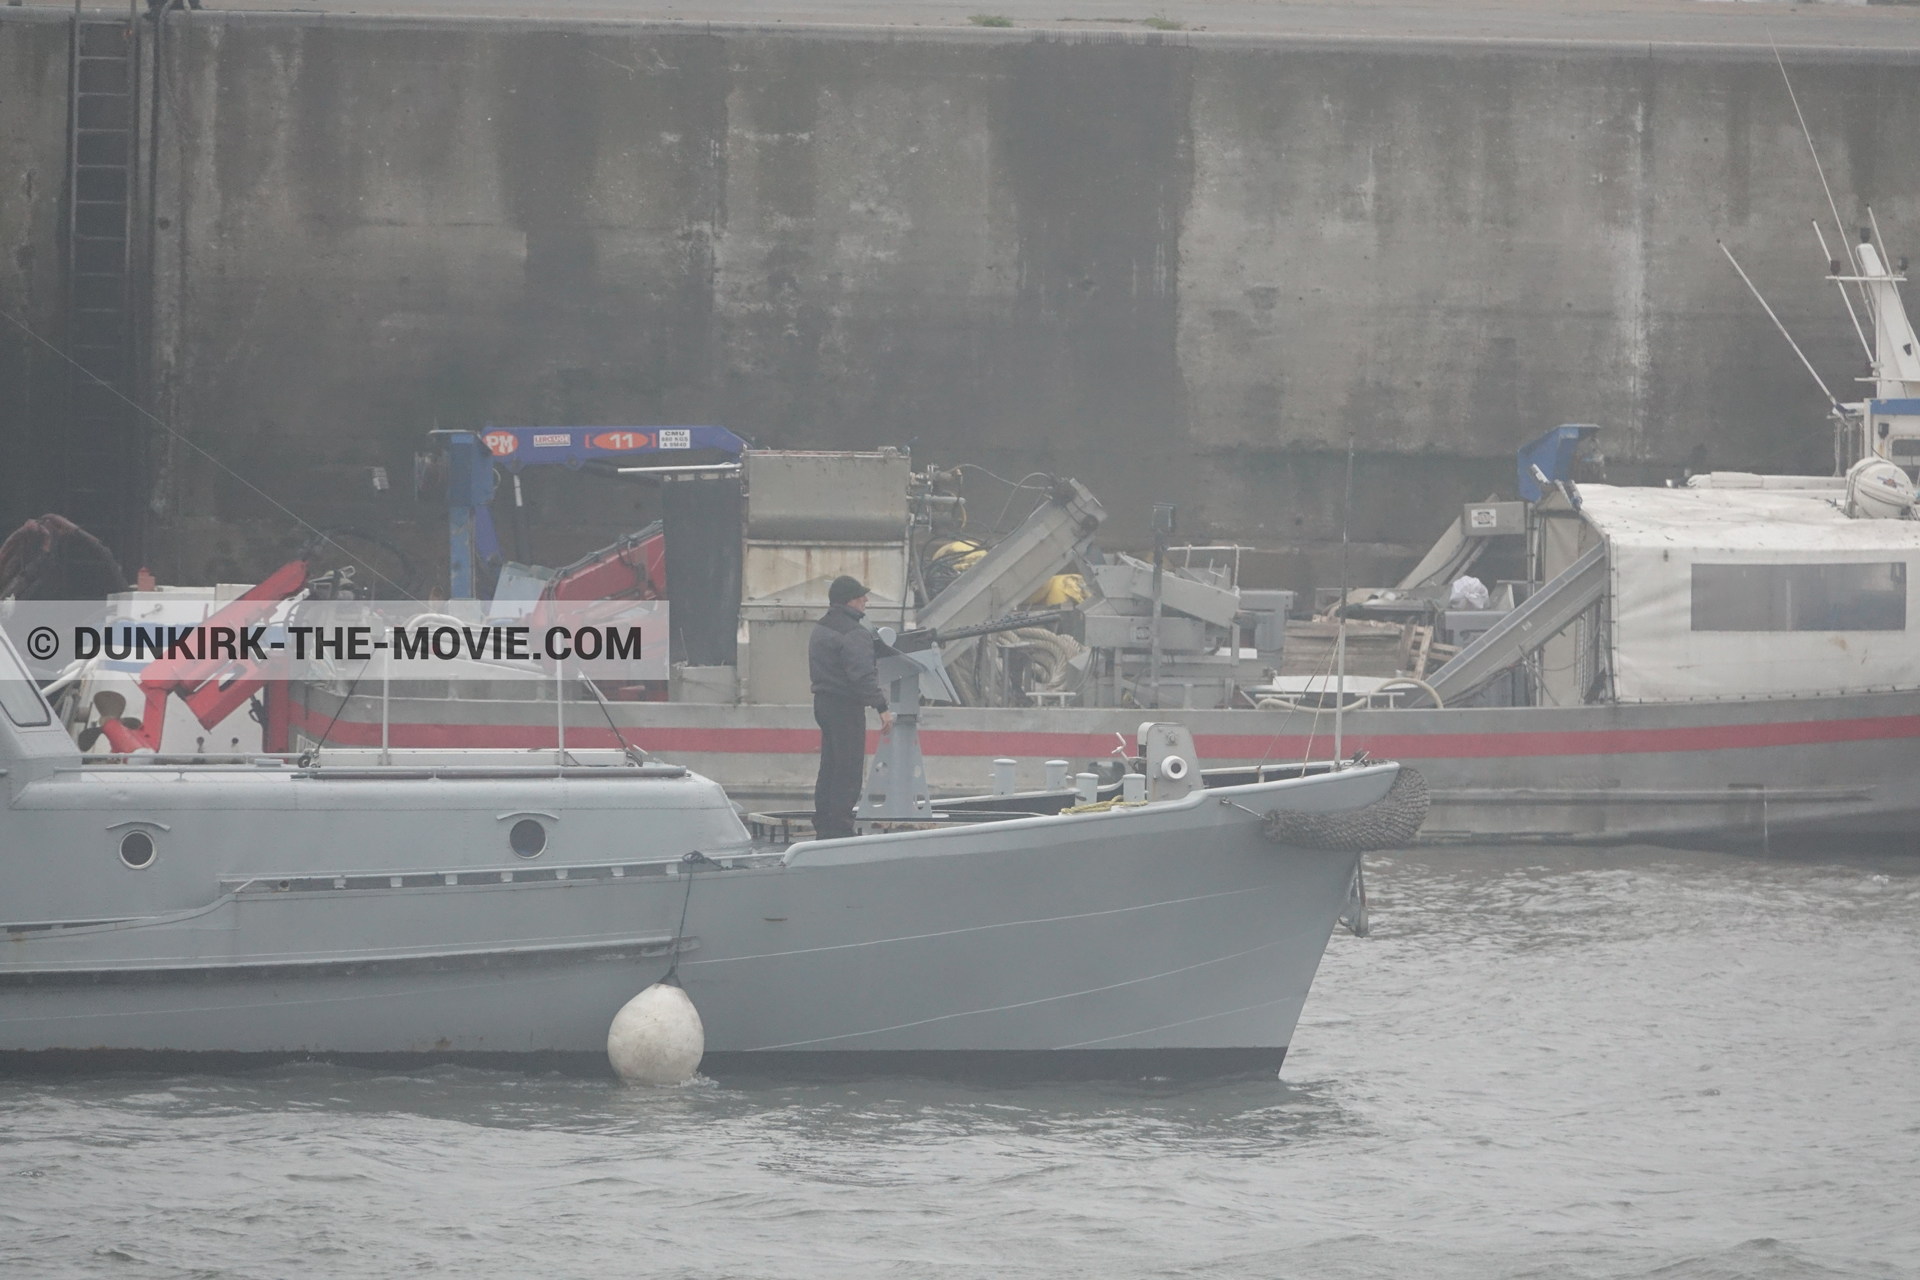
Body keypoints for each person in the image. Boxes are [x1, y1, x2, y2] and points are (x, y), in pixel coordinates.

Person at [808, 575, 894, 839]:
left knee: (830, 765)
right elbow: (862, 675)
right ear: (849, 601)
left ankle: (824, 822)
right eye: (861, 597)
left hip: (823, 703)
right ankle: (841, 828)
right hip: (846, 707)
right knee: (848, 769)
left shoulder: (821, 627)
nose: (865, 601)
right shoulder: (854, 633)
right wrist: (882, 707)